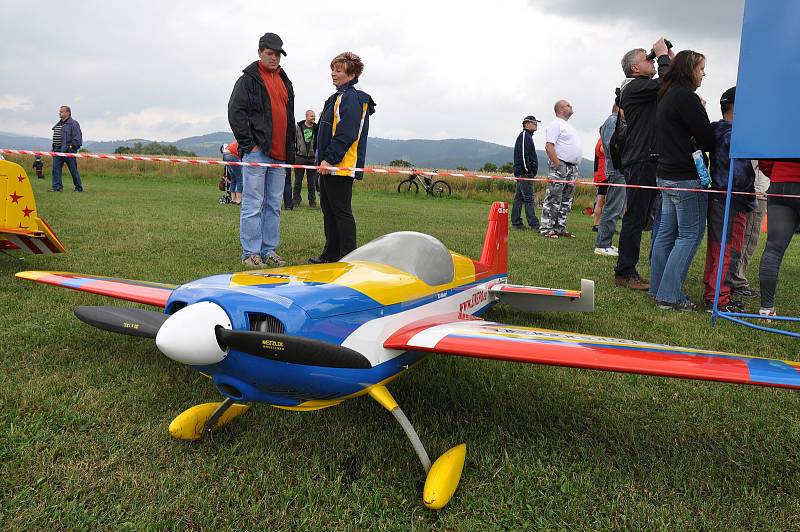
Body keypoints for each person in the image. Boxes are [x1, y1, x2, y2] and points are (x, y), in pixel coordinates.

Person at [648, 50, 714, 311]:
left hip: (666, 175)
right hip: (687, 177)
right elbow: (708, 139)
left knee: (666, 233)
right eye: (700, 69)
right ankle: (669, 296)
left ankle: (658, 288)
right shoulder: (687, 98)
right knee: (689, 235)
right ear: (689, 70)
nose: (704, 74)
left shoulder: (666, 95)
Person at [228, 32, 295, 267]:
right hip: (257, 152)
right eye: (270, 53)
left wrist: (289, 149)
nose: (274, 58)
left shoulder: (285, 80)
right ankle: (250, 253)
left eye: (277, 54)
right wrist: (249, 145)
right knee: (253, 203)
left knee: (273, 205)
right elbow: (235, 112)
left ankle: (269, 251)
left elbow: (289, 116)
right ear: (260, 53)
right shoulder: (248, 80)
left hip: (280, 154)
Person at [613, 39, 673, 290]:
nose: (652, 61)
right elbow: (666, 81)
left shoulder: (645, 88)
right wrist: (661, 57)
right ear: (635, 68)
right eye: (647, 59)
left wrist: (667, 55)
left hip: (648, 160)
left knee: (641, 219)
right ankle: (624, 272)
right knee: (635, 219)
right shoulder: (634, 88)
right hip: (640, 161)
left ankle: (630, 270)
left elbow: (674, 83)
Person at [310, 52, 376, 264]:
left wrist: (329, 159)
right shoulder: (335, 98)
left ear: (352, 73)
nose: (333, 74)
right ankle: (331, 255)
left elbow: (347, 133)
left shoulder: (352, 98)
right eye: (333, 70)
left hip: (340, 166)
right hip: (328, 165)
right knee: (328, 211)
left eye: (338, 70)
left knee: (341, 212)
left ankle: (348, 258)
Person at [702, 87, 756, 312]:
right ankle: (719, 298)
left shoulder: (717, 130)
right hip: (732, 198)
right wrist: (748, 194)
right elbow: (741, 174)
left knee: (716, 246)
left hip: (718, 195)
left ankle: (711, 289)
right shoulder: (735, 136)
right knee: (728, 249)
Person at [757, 160, 800, 319]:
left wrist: (777, 173)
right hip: (782, 179)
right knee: (773, 250)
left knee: (773, 249)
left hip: (779, 181)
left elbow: (764, 159)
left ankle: (766, 309)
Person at [540, 100, 582, 238]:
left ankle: (559, 227)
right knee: (554, 196)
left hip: (572, 167)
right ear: (560, 109)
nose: (571, 106)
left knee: (566, 199)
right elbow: (549, 146)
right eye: (567, 105)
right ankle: (547, 227)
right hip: (560, 165)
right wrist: (558, 164)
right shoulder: (555, 124)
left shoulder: (568, 126)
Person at [729, 163, 769, 298]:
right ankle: (737, 280)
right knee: (749, 237)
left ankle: (734, 277)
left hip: (752, 189)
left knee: (746, 236)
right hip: (756, 191)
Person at [594, 98, 626, 256]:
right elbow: (611, 146)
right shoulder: (613, 121)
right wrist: (622, 164)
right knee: (612, 208)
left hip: (618, 170)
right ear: (620, 108)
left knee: (615, 208)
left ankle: (605, 242)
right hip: (616, 170)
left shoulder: (615, 122)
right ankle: (602, 244)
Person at [511, 115, 540, 230]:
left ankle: (516, 222)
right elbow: (523, 155)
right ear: (526, 124)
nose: (536, 124)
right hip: (524, 173)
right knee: (529, 198)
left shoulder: (528, 137)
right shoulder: (524, 136)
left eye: (536, 123)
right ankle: (533, 224)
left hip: (523, 173)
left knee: (519, 198)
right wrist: (528, 171)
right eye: (533, 122)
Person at [50, 105, 83, 192]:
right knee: (55, 169)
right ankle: (57, 188)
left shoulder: (74, 123)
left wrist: (71, 146)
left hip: (69, 151)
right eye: (59, 111)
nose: (59, 113)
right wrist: (53, 147)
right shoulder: (58, 124)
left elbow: (78, 138)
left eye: (61, 111)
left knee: (73, 170)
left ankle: (79, 188)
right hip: (57, 150)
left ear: (67, 113)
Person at [293, 110, 319, 208]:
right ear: (306, 116)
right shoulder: (298, 127)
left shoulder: (317, 128)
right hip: (300, 158)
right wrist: (295, 152)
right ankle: (295, 201)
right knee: (297, 182)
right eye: (312, 116)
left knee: (311, 183)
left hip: (312, 159)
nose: (313, 118)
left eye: (314, 116)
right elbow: (293, 140)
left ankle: (312, 202)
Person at [591, 136, 607, 233]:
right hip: (604, 175)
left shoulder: (601, 141)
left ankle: (601, 224)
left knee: (602, 200)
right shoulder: (602, 142)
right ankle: (597, 224)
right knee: (602, 199)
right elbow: (606, 152)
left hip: (603, 175)